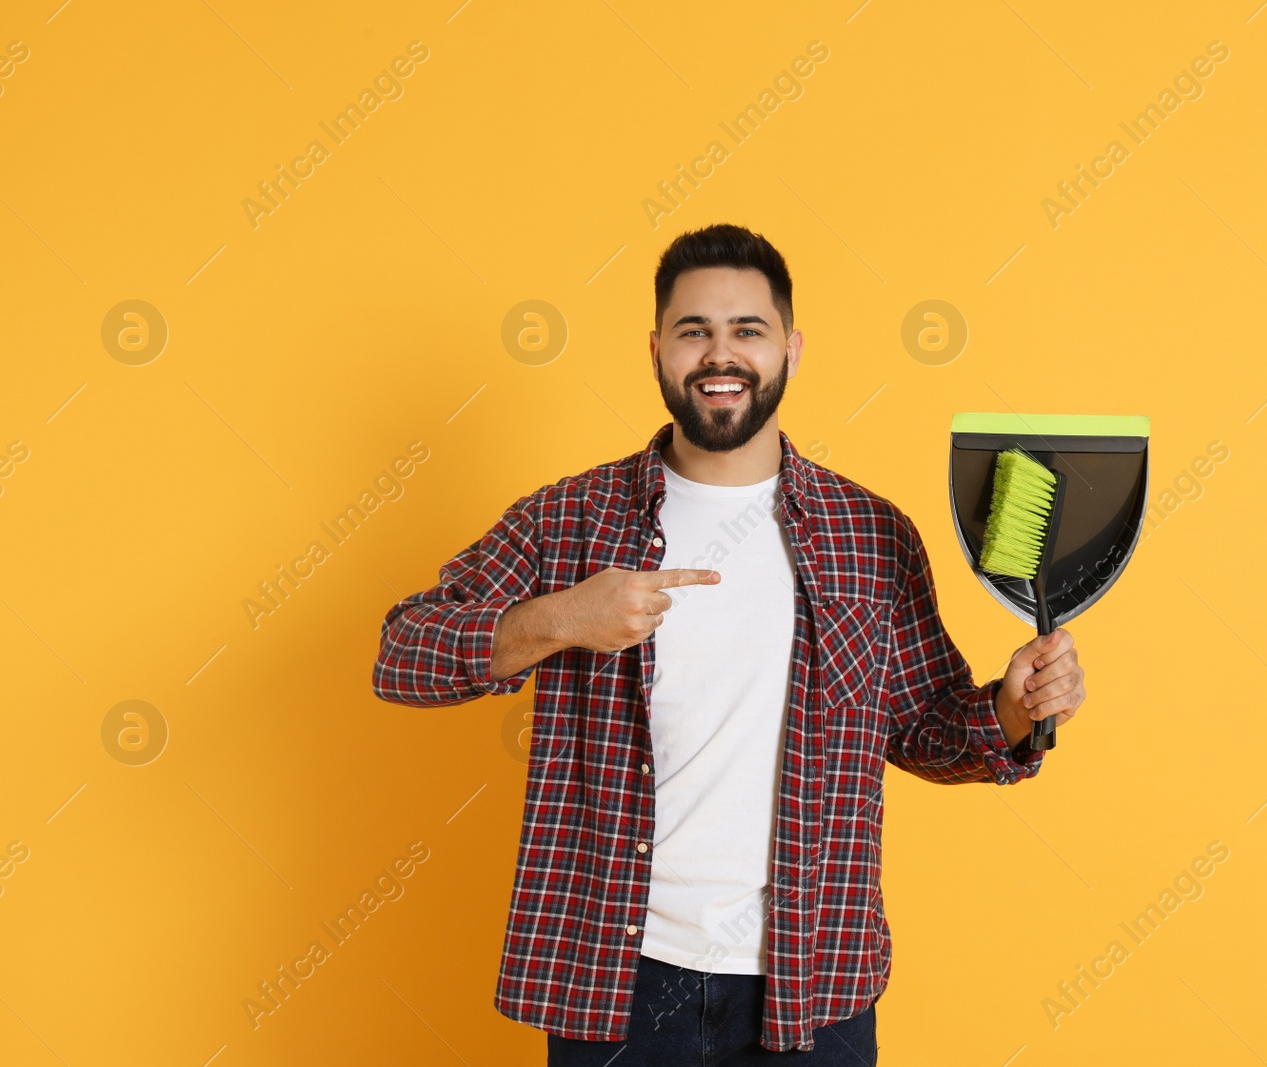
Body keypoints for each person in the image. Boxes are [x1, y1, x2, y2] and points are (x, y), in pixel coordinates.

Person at [372, 223, 1086, 1064]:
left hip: (811, 983)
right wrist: (563, 617)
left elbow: (925, 726)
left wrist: (1007, 708)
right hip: (618, 981)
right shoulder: (569, 521)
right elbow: (401, 653)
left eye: (747, 329)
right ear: (656, 350)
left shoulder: (870, 534)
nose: (721, 354)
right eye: (693, 330)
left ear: (790, 346)